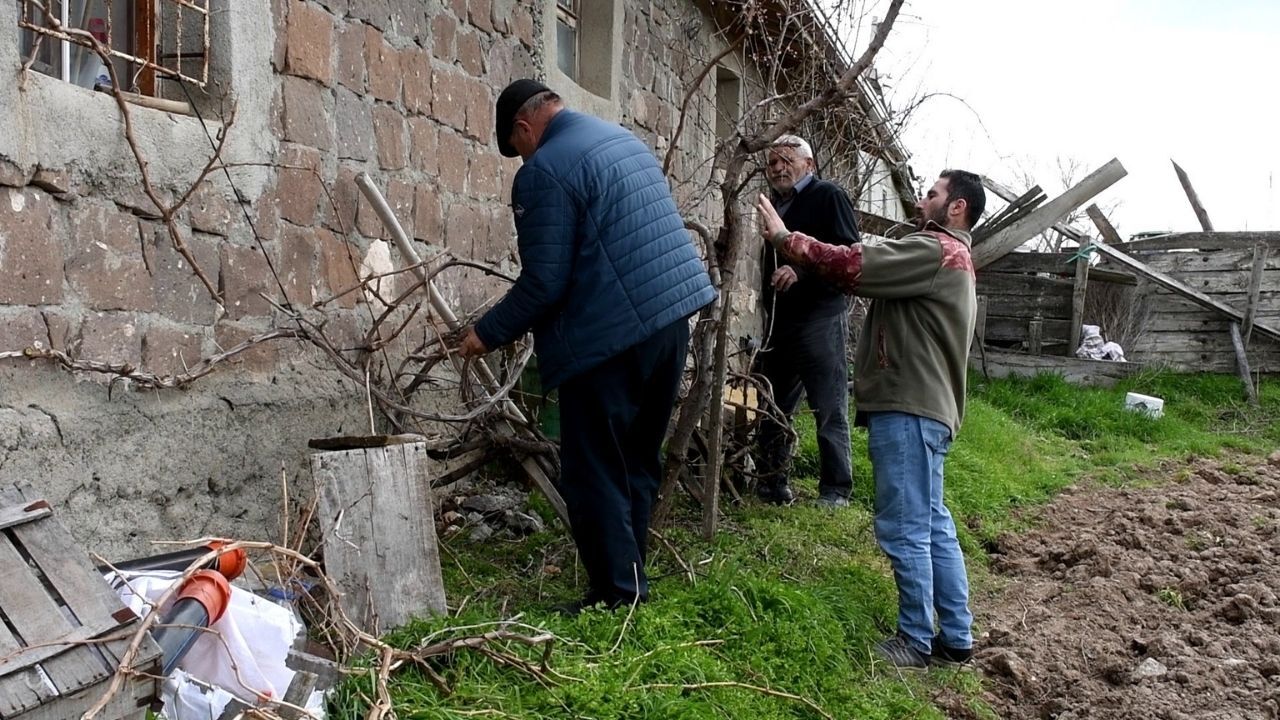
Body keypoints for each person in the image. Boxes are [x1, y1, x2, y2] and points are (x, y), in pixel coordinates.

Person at [459, 79, 716, 613]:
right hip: (670, 323)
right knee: (637, 458)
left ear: (524, 128)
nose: (521, 160)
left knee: (593, 467)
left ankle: (615, 594)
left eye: (517, 148)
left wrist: (486, 333)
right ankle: (631, 577)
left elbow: (544, 283)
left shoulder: (545, 171)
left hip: (609, 340)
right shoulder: (621, 140)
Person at [755, 169, 986, 668]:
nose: (923, 200)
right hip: (928, 408)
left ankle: (915, 640)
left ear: (957, 208)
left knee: (905, 526)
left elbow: (852, 265)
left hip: (908, 407)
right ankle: (957, 635)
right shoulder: (953, 257)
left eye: (933, 193)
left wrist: (783, 237)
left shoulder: (935, 250)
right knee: (932, 524)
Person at [754, 135, 860, 507]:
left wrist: (804, 274)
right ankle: (771, 482)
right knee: (771, 403)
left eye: (787, 160)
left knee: (828, 407)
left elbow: (850, 256)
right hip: (779, 321)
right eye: (772, 163)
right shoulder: (773, 205)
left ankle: (835, 491)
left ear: (809, 165)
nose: (779, 167)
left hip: (819, 319)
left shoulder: (828, 196)